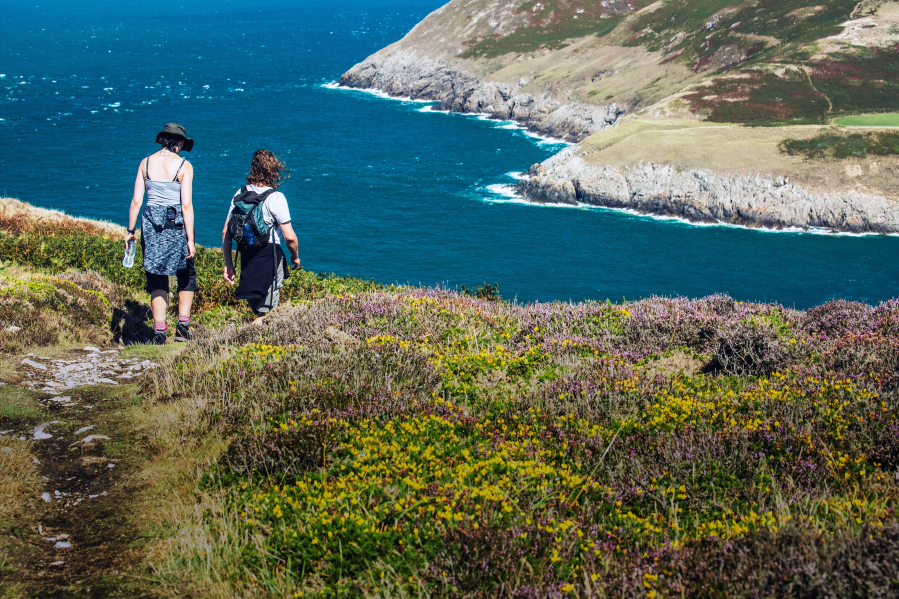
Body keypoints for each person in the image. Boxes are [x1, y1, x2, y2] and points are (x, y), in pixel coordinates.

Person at [125, 123, 197, 344]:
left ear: (162, 140)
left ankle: (159, 332)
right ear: (181, 143)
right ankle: (183, 329)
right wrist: (191, 239)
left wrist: (130, 231)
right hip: (175, 226)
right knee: (186, 274)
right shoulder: (185, 166)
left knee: (156, 275)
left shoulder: (145, 163)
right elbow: (186, 206)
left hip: (151, 226)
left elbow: (137, 200)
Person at [223, 150, 300, 325]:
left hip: (247, 255)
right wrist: (295, 256)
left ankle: (255, 342)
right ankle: (253, 343)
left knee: (258, 308)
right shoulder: (275, 197)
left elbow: (225, 232)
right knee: (266, 314)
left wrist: (228, 264)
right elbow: (289, 237)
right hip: (269, 256)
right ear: (273, 170)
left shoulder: (240, 193)